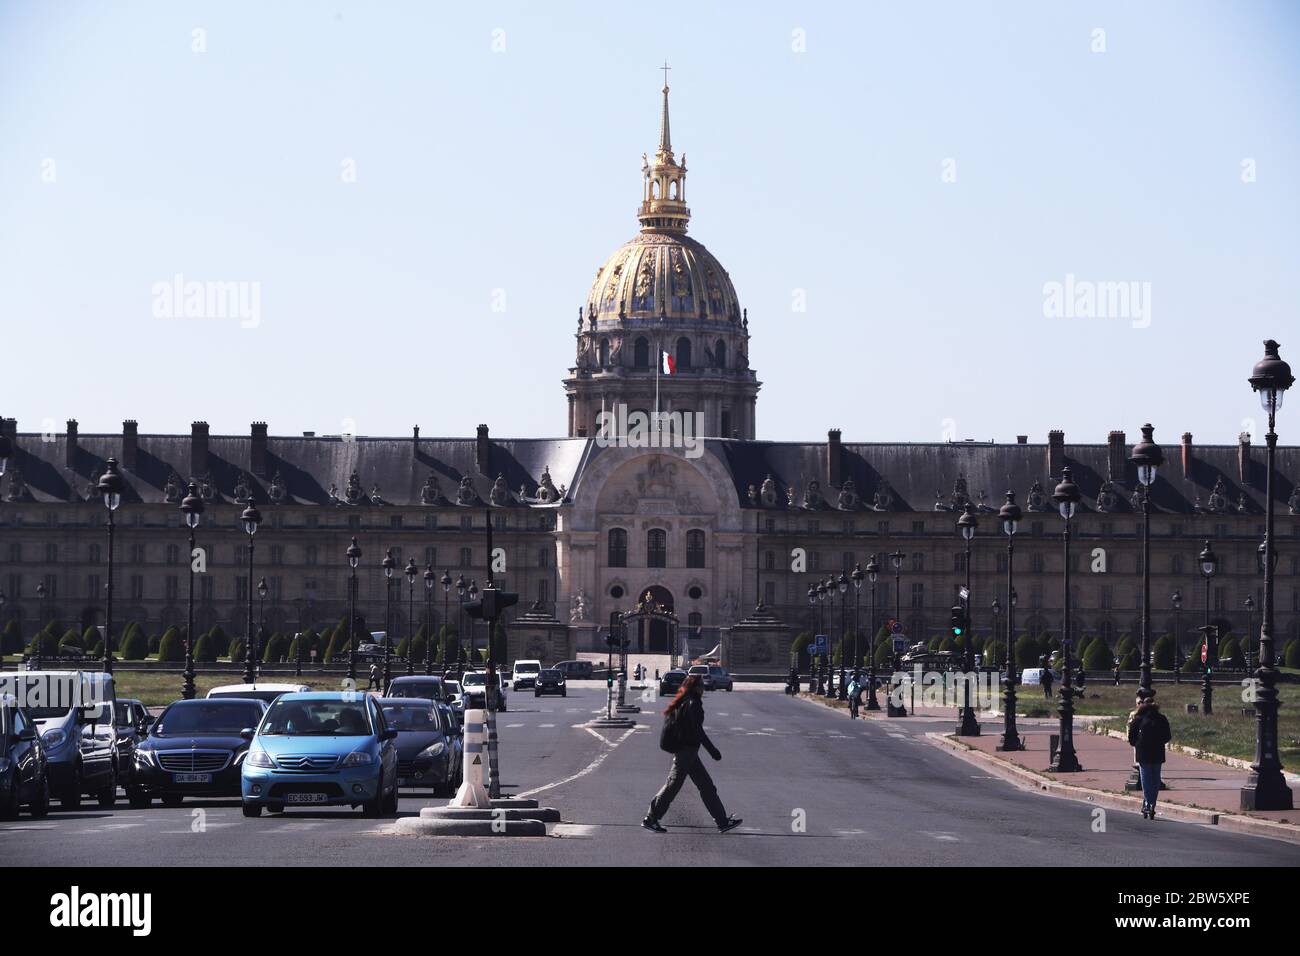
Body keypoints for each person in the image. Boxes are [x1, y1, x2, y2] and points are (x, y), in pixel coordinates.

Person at [642, 675, 742, 834]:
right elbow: (698, 731)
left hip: (689, 753)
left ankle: (722, 822)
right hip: (686, 752)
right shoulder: (693, 703)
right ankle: (651, 818)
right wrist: (713, 751)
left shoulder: (684, 700)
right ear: (695, 688)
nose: (703, 688)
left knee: (706, 786)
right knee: (672, 786)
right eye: (701, 685)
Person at [1127, 688, 1172, 819]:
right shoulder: (1161, 718)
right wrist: (1159, 742)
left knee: (1146, 779)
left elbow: (1131, 736)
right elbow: (1167, 736)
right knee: (1155, 779)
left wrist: (1137, 744)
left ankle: (1148, 803)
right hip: (1158, 752)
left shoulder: (1138, 718)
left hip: (1143, 753)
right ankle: (1152, 804)